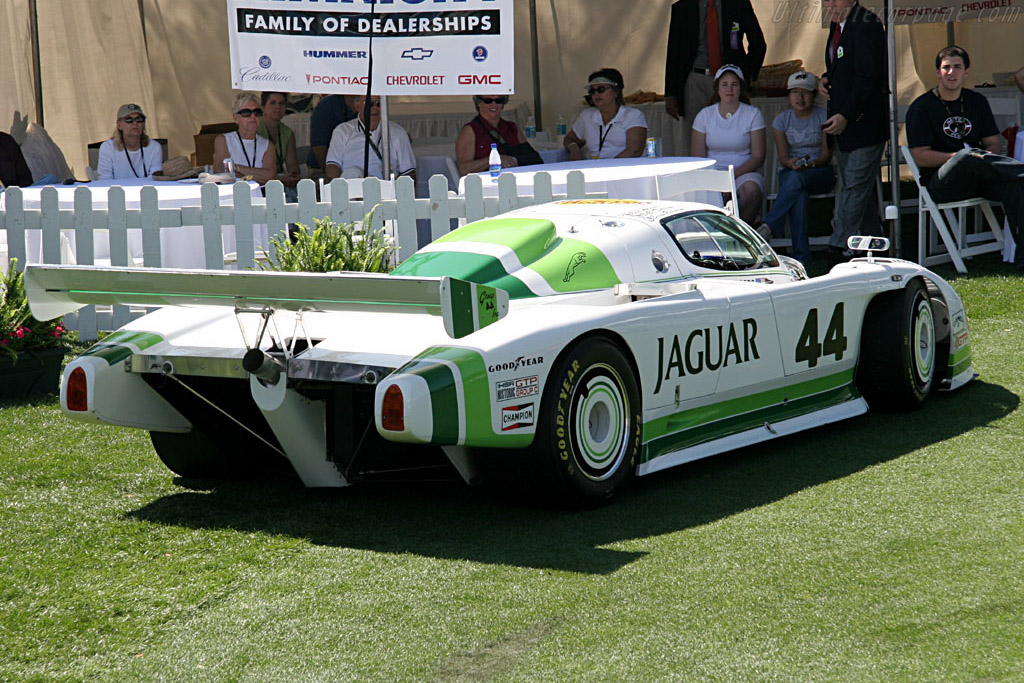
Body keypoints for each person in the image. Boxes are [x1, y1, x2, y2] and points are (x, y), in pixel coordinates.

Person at [906, 46, 1024, 270]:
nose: (951, 72)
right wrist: (960, 157)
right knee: (965, 155)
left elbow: (993, 143)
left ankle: (1022, 257)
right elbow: (920, 156)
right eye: (946, 68)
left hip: (977, 176)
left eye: (957, 67)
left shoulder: (976, 101)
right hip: (942, 182)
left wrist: (982, 157)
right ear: (938, 73)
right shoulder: (922, 107)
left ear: (966, 72)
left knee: (1014, 187)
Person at [818, 0, 888, 261]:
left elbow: (867, 77)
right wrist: (828, 79)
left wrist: (847, 114)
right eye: (825, 1)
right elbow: (843, 66)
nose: (829, 5)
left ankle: (838, 247)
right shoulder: (838, 25)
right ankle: (876, 242)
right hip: (844, 126)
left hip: (865, 125)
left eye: (834, 0)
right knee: (857, 186)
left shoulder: (867, 24)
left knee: (854, 186)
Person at [664, 0, 766, 155]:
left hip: (727, 80)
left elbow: (758, 43)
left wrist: (746, 76)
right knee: (694, 137)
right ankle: (698, 175)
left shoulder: (738, 4)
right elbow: (673, 52)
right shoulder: (683, 7)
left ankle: (732, 171)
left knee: (732, 131)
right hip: (695, 79)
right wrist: (670, 93)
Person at [759, 71, 835, 265]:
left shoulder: (824, 116)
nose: (800, 98)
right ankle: (801, 255)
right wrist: (792, 163)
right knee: (797, 191)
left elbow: (826, 156)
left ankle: (769, 225)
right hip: (793, 171)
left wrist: (809, 164)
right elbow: (783, 158)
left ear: (814, 95)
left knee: (797, 180)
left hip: (819, 172)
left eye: (805, 92)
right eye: (795, 93)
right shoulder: (781, 121)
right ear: (789, 96)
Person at [690, 64, 765, 226]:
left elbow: (758, 157)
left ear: (741, 88)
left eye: (734, 84)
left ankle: (742, 234)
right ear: (717, 89)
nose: (729, 89)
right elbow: (698, 158)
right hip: (712, 174)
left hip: (744, 173)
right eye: (724, 85)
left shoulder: (753, 114)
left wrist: (730, 178)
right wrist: (719, 181)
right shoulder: (704, 115)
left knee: (751, 191)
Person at [325, 94, 416, 181]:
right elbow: (332, 166)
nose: (375, 108)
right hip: (351, 190)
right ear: (357, 106)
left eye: (379, 104)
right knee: (352, 173)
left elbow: (409, 173)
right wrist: (340, 187)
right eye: (370, 103)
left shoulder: (398, 133)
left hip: (385, 191)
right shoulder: (342, 131)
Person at [563, 68, 647, 160]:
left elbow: (634, 151)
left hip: (624, 170)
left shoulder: (632, 115)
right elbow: (569, 139)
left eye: (601, 89)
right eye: (592, 91)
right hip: (595, 169)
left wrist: (607, 169)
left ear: (616, 92)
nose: (596, 94)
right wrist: (574, 148)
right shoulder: (586, 116)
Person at [455, 95, 541, 176]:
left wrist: (513, 160)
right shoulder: (470, 130)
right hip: (485, 186)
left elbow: (534, 157)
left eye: (499, 100)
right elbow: (463, 169)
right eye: (488, 101)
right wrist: (493, 160)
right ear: (478, 103)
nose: (494, 104)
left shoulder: (512, 127)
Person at [212, 92, 276, 186]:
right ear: (236, 118)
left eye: (257, 112)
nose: (253, 116)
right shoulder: (223, 140)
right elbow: (222, 174)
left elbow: (270, 176)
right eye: (246, 112)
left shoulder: (267, 145)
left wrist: (236, 167)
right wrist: (258, 175)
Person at [96, 104, 163, 180]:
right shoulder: (108, 148)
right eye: (129, 120)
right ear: (119, 125)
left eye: (139, 119)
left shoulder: (155, 147)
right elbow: (105, 180)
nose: (135, 123)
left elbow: (156, 178)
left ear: (144, 124)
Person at [257, 91, 301, 197]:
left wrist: (292, 177)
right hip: (258, 181)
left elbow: (293, 167)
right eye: (273, 103)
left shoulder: (288, 132)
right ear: (263, 107)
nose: (277, 107)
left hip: (281, 183)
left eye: (281, 103)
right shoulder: (255, 127)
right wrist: (278, 178)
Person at [307, 95, 357, 173]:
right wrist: (333, 177)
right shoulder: (326, 106)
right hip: (322, 170)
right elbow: (319, 147)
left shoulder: (374, 104)